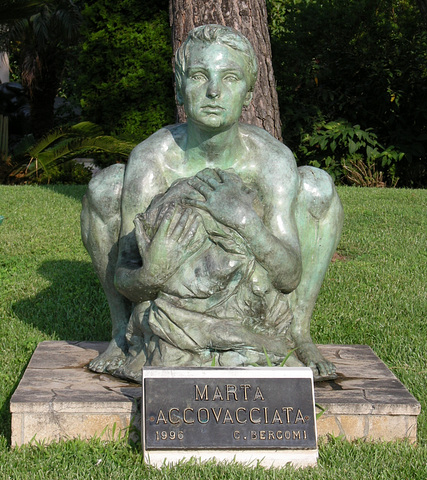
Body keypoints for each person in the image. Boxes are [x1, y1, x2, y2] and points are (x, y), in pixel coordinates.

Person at [81, 25, 343, 381]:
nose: (214, 91)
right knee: (106, 187)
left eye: (230, 78)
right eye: (200, 76)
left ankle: (299, 332)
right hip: (166, 292)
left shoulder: (270, 161)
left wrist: (243, 220)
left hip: (251, 297)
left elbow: (288, 275)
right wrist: (152, 273)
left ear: (249, 94)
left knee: (317, 186)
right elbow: (125, 274)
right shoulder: (152, 159)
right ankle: (120, 332)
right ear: (179, 88)